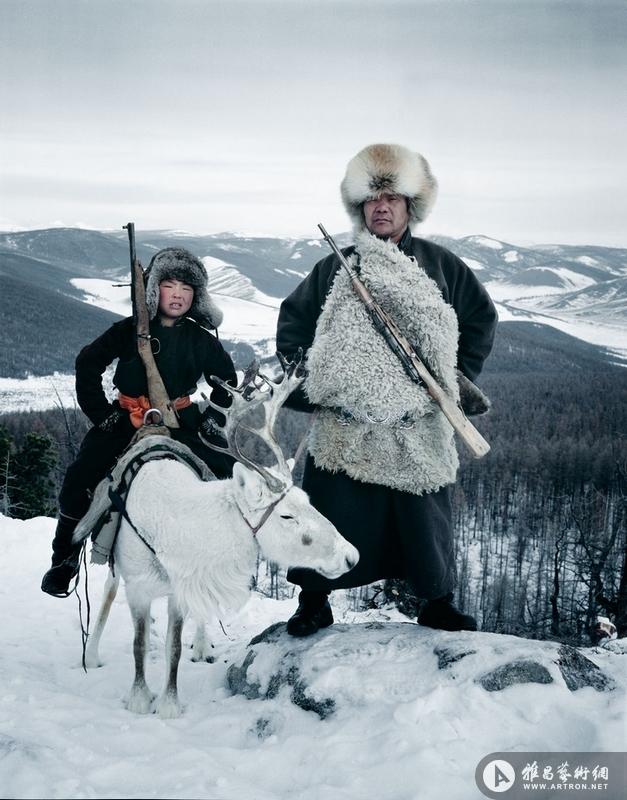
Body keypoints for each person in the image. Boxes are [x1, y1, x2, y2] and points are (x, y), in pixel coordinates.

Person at [276, 143, 498, 635]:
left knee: (424, 519)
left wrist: (451, 380)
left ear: (408, 207)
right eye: (372, 201)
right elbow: (294, 328)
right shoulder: (335, 268)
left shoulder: (441, 266)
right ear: (360, 209)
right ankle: (315, 600)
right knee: (329, 511)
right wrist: (318, 388)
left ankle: (436, 601)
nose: (381, 208)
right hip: (347, 426)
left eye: (391, 199)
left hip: (416, 425)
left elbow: (480, 319)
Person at [41, 247, 236, 597]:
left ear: (198, 297)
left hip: (181, 419)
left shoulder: (200, 339)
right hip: (126, 419)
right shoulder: (128, 330)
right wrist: (101, 415)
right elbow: (88, 361)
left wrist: (211, 420)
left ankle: (221, 559)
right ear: (153, 289)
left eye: (187, 289)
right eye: (169, 284)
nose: (178, 295)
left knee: (229, 477)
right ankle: (63, 561)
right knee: (81, 477)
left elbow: (227, 380)